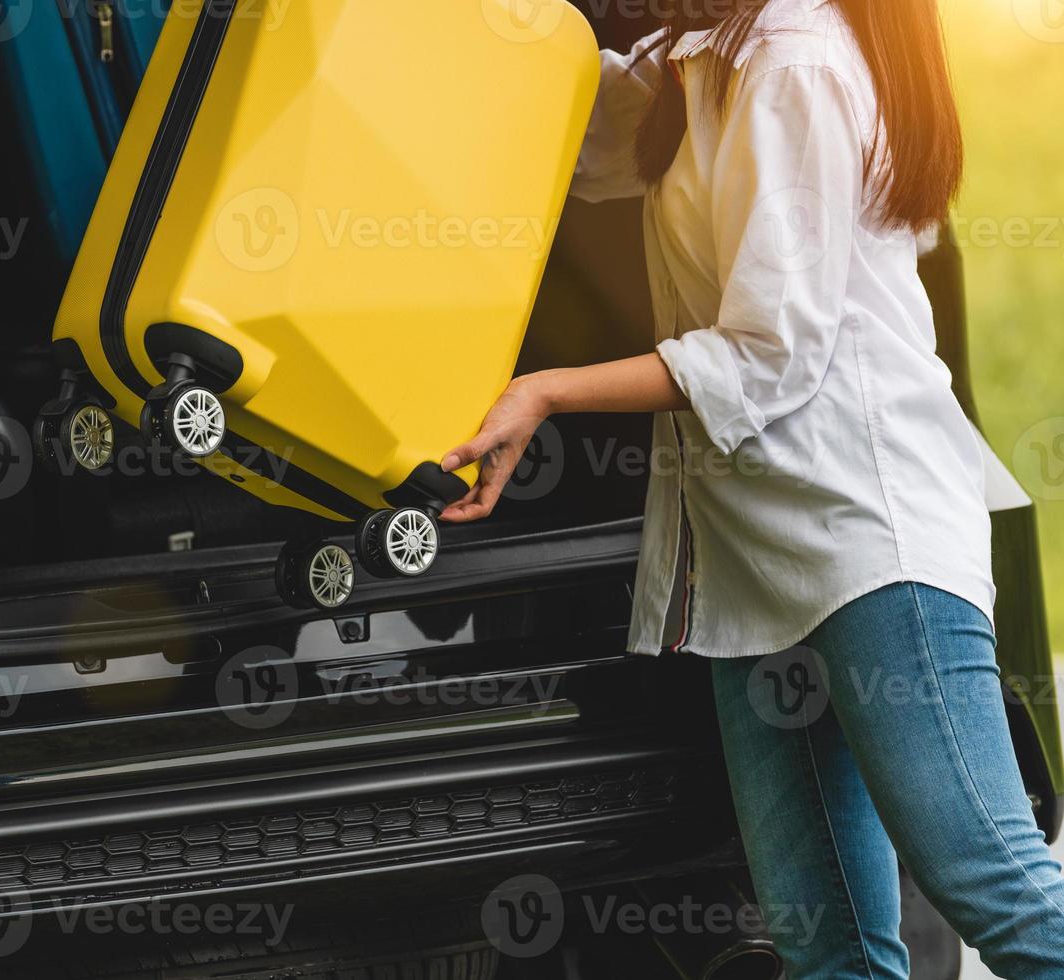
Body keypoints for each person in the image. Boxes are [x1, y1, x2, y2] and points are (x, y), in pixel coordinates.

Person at [439, 0, 1064, 975]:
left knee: (997, 885)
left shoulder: (796, 60)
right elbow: (576, 134)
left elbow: (771, 354)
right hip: (753, 570)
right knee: (833, 950)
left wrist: (548, 391)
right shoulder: (700, 58)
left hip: (868, 543)